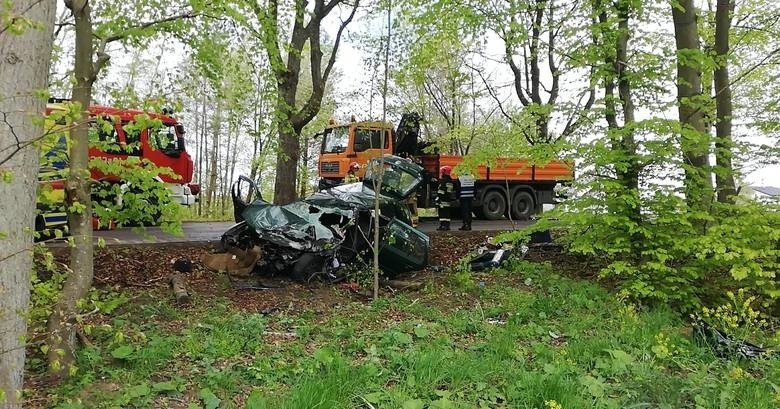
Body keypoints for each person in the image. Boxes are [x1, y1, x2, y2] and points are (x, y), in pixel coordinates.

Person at [436, 165, 456, 231]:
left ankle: (443, 225)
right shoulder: (450, 181)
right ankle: (447, 226)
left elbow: (441, 191)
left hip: (442, 199)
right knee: (447, 212)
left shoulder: (443, 181)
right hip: (448, 199)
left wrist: (438, 198)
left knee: (442, 213)